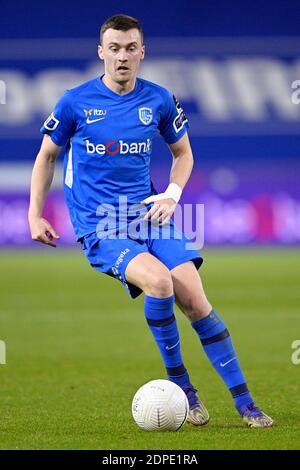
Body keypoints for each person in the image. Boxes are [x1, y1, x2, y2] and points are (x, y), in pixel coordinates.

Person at [28, 14, 273, 428]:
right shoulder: (74, 102)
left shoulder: (158, 99)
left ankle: (246, 404)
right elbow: (46, 156)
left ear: (142, 52)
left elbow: (184, 154)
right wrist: (34, 214)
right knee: (159, 282)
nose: (122, 57)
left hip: (149, 217)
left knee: (196, 301)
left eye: (130, 48)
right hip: (101, 225)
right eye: (114, 48)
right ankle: (186, 391)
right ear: (101, 52)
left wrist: (173, 195)